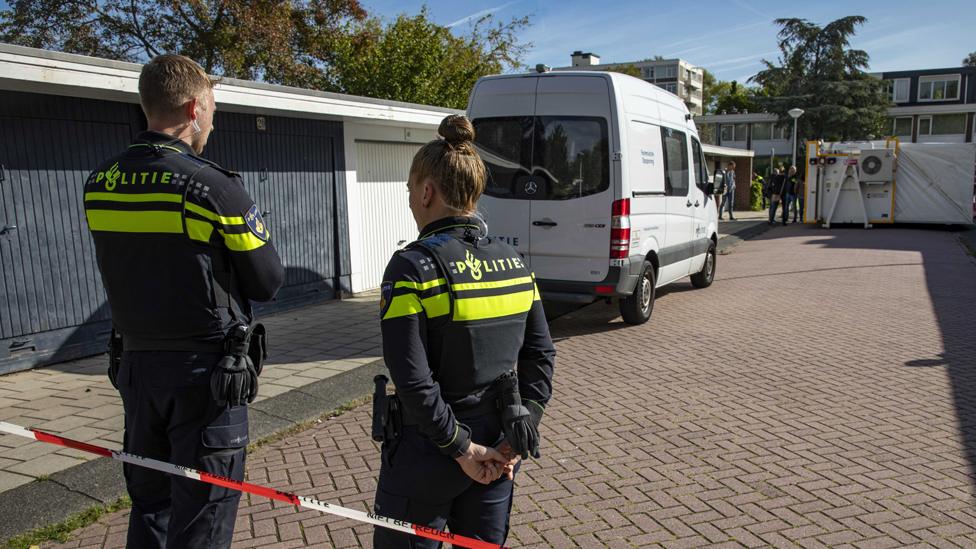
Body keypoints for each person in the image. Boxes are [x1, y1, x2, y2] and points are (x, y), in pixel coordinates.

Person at [84, 54, 284, 548]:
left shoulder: (100, 183)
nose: (212, 123)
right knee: (203, 517)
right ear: (195, 108)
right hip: (204, 381)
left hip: (136, 372)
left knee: (150, 509)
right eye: (212, 110)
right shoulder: (212, 187)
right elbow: (267, 281)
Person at [372, 115, 556, 547]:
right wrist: (517, 436)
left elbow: (414, 379)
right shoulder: (516, 263)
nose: (411, 203)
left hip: (430, 454)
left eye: (409, 193)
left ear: (426, 191)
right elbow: (541, 356)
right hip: (498, 450)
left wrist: (460, 449)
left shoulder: (411, 268)